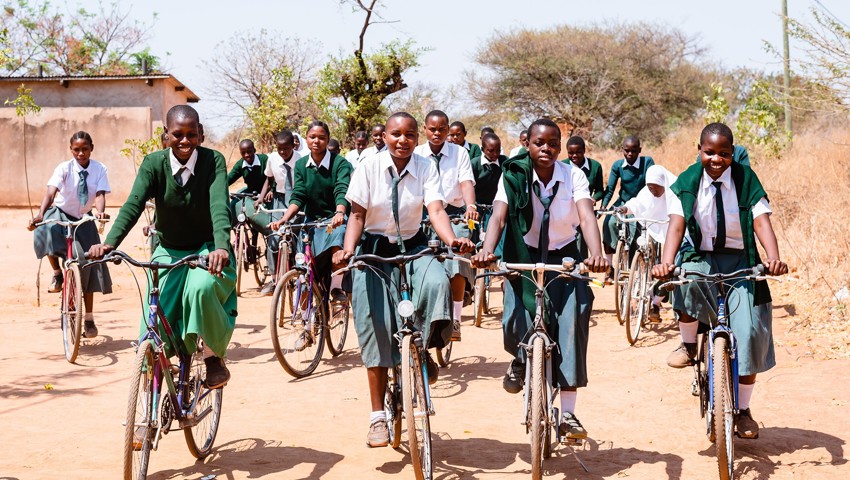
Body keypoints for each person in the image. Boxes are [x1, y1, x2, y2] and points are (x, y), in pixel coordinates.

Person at [332, 112, 475, 448]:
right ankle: (377, 418)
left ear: (416, 138)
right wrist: (348, 249)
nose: (402, 140)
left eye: (410, 135)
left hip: (413, 246)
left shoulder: (425, 167)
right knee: (375, 327)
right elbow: (356, 215)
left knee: (438, 281)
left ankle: (422, 349)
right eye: (395, 134)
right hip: (374, 249)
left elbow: (436, 210)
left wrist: (452, 240)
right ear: (385, 136)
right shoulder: (368, 166)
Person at [472, 118, 608, 440]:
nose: (545, 148)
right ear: (527, 145)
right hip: (525, 252)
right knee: (514, 317)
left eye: (552, 143)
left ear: (559, 148)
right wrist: (487, 251)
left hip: (564, 255)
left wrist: (597, 253)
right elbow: (499, 215)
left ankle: (570, 414)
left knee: (573, 318)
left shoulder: (573, 175)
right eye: (538, 143)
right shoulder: (513, 175)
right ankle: (520, 358)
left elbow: (586, 215)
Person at [652, 122, 787, 440]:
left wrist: (773, 256)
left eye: (724, 153)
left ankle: (742, 411)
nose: (717, 159)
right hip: (703, 256)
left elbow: (761, 221)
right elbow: (676, 225)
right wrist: (667, 262)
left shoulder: (745, 178)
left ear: (732, 153)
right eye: (709, 152)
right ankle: (688, 346)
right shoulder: (687, 181)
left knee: (751, 330)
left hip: (742, 260)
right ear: (698, 150)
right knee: (683, 283)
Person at [89, 104, 236, 389]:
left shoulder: (212, 161)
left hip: (207, 248)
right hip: (168, 250)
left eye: (191, 134)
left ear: (200, 136)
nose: (185, 141)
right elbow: (134, 204)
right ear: (165, 136)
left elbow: (219, 204)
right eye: (177, 134)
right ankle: (156, 384)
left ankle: (212, 356)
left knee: (201, 289)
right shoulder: (154, 163)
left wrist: (221, 246)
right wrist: (109, 244)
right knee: (153, 320)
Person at [28, 131, 112, 339]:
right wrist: (40, 214)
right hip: (61, 213)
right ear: (71, 150)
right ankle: (57, 273)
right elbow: (51, 192)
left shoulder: (99, 169)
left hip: (84, 218)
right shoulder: (64, 168)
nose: (81, 153)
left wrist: (99, 212)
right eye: (76, 149)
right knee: (46, 229)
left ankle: (89, 318)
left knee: (91, 263)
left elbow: (100, 194)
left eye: (85, 149)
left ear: (92, 148)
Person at [269, 120, 352, 310]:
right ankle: (307, 325)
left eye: (322, 138)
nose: (317, 141)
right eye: (312, 137)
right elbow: (298, 195)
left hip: (333, 219)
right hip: (311, 222)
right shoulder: (301, 165)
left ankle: (337, 289)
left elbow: (341, 190)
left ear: (328, 140)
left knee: (337, 245)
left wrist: (340, 212)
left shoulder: (340, 163)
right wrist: (284, 219)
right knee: (304, 274)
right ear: (306, 139)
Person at [414, 110, 478, 342]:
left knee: (457, 256)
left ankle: (457, 320)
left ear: (448, 129)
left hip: (455, 213)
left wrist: (470, 204)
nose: (437, 133)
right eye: (433, 129)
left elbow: (465, 182)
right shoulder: (417, 153)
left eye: (442, 129)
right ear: (425, 129)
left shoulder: (459, 153)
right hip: (423, 213)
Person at [615, 165, 678, 320]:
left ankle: (656, 303)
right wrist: (625, 208)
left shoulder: (675, 192)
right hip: (652, 226)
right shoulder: (647, 192)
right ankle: (643, 285)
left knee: (669, 268)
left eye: (657, 188)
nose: (653, 191)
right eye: (650, 187)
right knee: (647, 258)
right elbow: (637, 203)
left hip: (673, 230)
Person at [600, 135, 655, 283]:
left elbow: (652, 184)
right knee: (609, 224)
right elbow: (610, 189)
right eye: (627, 151)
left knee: (635, 228)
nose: (630, 154)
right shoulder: (618, 165)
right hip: (623, 201)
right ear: (622, 150)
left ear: (639, 150)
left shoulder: (647, 162)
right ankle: (610, 267)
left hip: (641, 202)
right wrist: (604, 206)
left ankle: (633, 267)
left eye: (634, 151)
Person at [256, 130, 299, 295]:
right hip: (279, 199)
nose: (282, 152)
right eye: (279, 148)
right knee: (273, 238)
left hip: (296, 199)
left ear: (293, 146)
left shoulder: (301, 159)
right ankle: (274, 280)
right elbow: (269, 179)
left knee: (296, 236)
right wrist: (261, 198)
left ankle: (297, 275)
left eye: (286, 149)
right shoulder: (272, 158)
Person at [565, 136, 605, 259]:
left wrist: (593, 198)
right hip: (567, 212)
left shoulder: (595, 166)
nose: (574, 156)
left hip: (585, 210)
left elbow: (599, 190)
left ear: (584, 150)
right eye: (571, 153)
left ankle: (581, 274)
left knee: (583, 242)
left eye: (578, 152)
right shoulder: (562, 166)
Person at [470, 132, 506, 250]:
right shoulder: (474, 164)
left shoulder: (505, 163)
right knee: (472, 231)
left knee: (496, 233)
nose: (495, 154)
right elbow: (469, 186)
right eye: (491, 151)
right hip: (477, 205)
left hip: (496, 205)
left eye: (498, 150)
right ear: (482, 149)